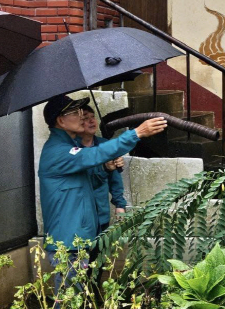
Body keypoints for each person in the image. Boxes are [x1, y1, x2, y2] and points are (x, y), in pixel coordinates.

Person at [38, 94, 166, 297]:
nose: (82, 117)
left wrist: (106, 170)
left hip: (81, 237)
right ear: (60, 121)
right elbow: (94, 154)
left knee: (84, 294)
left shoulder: (73, 149)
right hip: (69, 243)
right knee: (70, 299)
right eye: (75, 113)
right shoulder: (58, 151)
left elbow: (89, 181)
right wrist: (137, 133)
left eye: (82, 112)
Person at [78, 104, 126, 233]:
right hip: (80, 217)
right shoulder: (72, 149)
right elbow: (84, 179)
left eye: (93, 117)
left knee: (101, 250)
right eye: (85, 118)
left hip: (101, 213)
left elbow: (115, 179)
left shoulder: (105, 145)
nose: (92, 121)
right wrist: (104, 168)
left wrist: (119, 205)